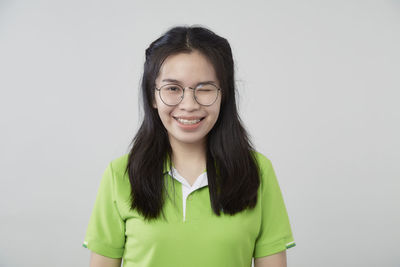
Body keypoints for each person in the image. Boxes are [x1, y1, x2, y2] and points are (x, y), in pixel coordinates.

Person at [82, 25, 296, 267]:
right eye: (173, 88)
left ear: (224, 95)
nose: (189, 104)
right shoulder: (119, 174)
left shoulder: (257, 171)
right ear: (152, 96)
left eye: (204, 89)